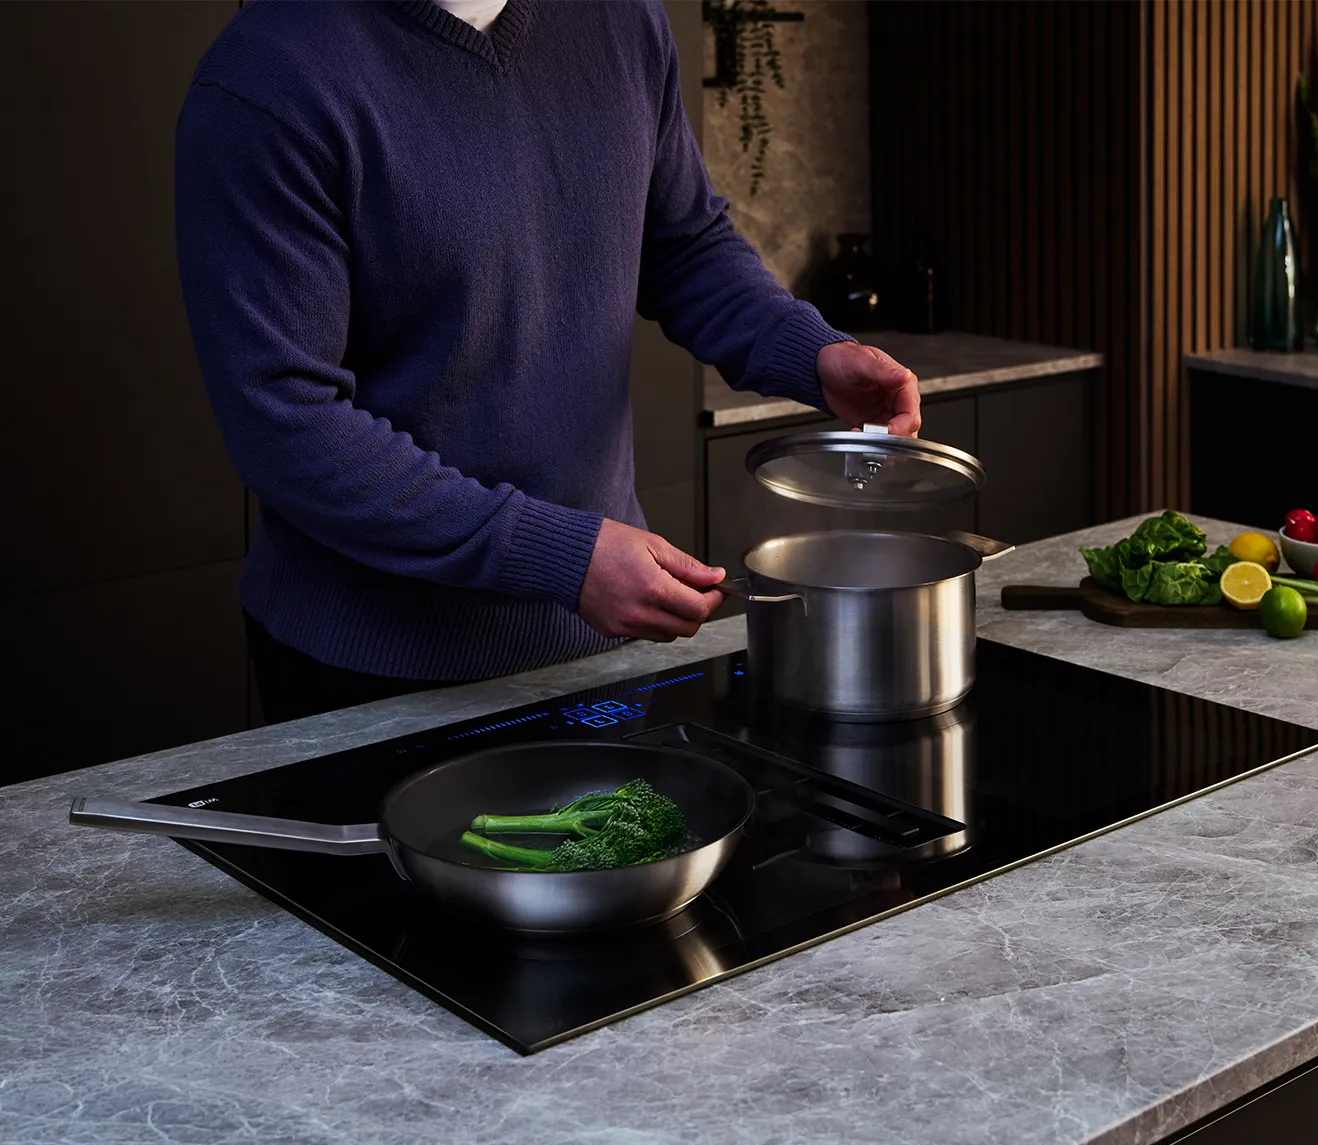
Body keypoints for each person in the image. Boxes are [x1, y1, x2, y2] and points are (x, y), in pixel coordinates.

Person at [174, 0, 921, 724]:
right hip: (370, 669)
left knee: (629, 817)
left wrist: (811, 352)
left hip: (597, 643)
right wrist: (557, 557)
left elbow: (683, 246)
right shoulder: (267, 77)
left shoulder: (623, 19)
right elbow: (284, 419)